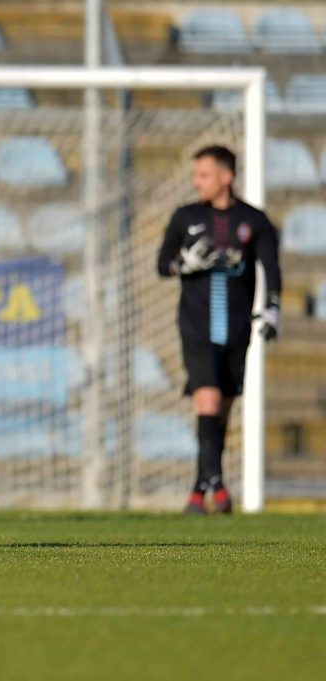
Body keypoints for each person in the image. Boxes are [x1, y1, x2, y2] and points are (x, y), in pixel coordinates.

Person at [157, 145, 282, 515]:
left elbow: (271, 267)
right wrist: (184, 263)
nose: (197, 182)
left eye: (204, 175)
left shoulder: (253, 220)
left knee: (221, 411)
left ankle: (199, 491)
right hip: (196, 326)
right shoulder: (185, 217)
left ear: (226, 177)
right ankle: (220, 486)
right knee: (208, 400)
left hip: (236, 326)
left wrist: (272, 308)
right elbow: (162, 264)